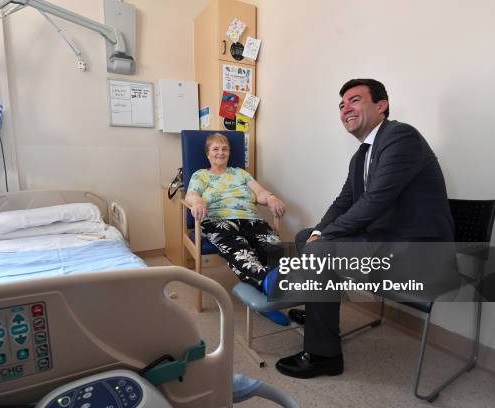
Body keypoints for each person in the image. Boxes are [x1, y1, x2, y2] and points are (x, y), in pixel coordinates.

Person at [275, 79, 454, 378]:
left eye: (355, 100)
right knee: (307, 236)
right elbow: (343, 202)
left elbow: (375, 201)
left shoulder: (401, 137)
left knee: (319, 252)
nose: (346, 108)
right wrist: (320, 231)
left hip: (419, 252)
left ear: (381, 105)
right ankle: (321, 312)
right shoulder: (361, 156)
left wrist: (325, 238)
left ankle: (323, 355)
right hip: (387, 241)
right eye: (342, 105)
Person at [185, 133, 288, 324]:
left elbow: (259, 193)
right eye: (215, 149)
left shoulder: (241, 173)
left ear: (229, 153)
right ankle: (266, 286)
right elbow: (191, 195)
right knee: (240, 251)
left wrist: (271, 198)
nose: (220, 152)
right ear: (207, 154)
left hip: (251, 219)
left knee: (275, 249)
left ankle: (267, 293)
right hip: (218, 220)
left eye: (224, 149)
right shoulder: (201, 175)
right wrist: (197, 202)